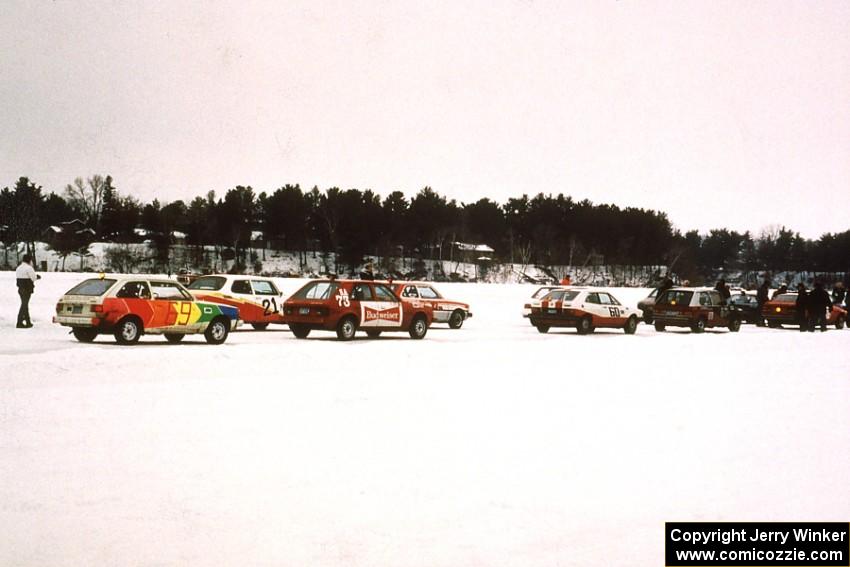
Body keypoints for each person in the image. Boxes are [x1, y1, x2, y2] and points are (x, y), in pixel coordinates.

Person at [15, 254, 39, 328]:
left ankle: (28, 322)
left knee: (24, 304)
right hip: (27, 288)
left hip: (20, 288)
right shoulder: (29, 268)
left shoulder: (18, 268)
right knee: (24, 305)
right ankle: (19, 322)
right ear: (29, 260)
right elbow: (33, 278)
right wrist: (38, 276)